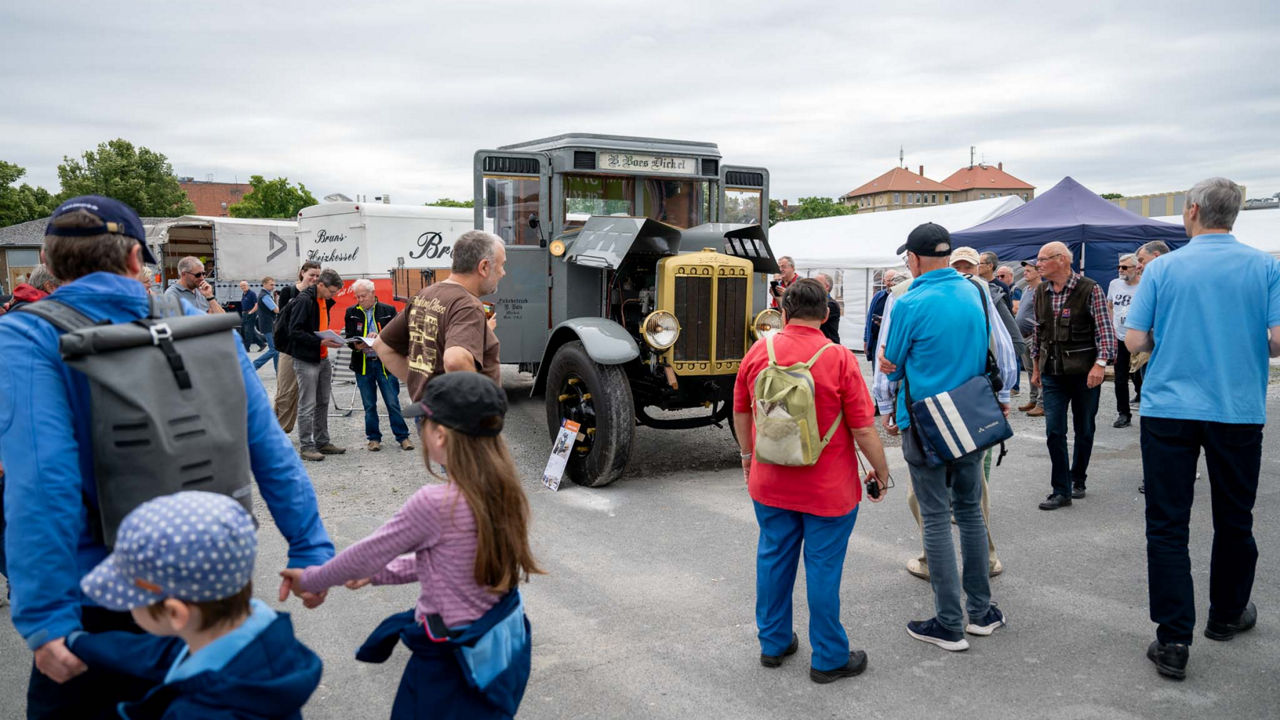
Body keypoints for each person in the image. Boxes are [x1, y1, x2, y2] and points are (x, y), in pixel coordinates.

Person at [0, 195, 334, 719]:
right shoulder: (197, 324)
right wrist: (309, 546)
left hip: (102, 599)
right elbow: (267, 445)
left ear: (47, 259)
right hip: (212, 582)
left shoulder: (27, 334)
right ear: (137, 260)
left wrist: (47, 618)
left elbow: (42, 481)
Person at [280, 371, 543, 718]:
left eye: (422, 423)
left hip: (450, 663)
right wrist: (378, 575)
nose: (420, 430)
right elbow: (448, 564)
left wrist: (312, 579)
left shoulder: (436, 503)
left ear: (441, 435)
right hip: (496, 652)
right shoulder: (502, 492)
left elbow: (367, 554)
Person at [1125, 178, 1278, 681]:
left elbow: (1134, 340)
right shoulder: (1265, 266)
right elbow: (1278, 340)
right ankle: (1226, 614)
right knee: (1235, 517)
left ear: (1191, 210)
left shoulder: (1161, 268)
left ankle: (1173, 640)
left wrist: (1169, 338)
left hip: (1170, 407)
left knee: (1167, 523)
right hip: (1236, 408)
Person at [732, 278, 891, 683]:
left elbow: (742, 411)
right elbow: (863, 428)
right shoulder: (838, 357)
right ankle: (829, 657)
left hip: (770, 479)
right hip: (828, 486)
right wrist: (882, 471)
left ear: (784, 312)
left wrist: (748, 458)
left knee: (773, 558)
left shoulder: (759, 350)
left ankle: (773, 642)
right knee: (823, 568)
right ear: (825, 314)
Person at [66, 492, 322, 719]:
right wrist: (77, 642)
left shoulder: (196, 711)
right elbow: (156, 653)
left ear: (175, 613)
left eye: (131, 596)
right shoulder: (258, 641)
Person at [882, 223, 1011, 652]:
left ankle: (949, 622)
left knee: (936, 517)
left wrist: (889, 365)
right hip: (970, 415)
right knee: (970, 512)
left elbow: (892, 363)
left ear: (915, 259)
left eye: (907, 258)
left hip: (925, 421)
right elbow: (996, 349)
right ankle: (981, 612)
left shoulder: (909, 301)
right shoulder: (975, 291)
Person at [1030, 241, 1115, 510]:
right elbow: (1038, 332)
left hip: (1083, 373)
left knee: (1084, 428)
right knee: (1054, 431)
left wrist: (1100, 365)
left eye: (1043, 259)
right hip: (1052, 372)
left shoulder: (1090, 289)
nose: (1038, 264)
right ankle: (1061, 490)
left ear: (1062, 260)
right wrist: (1036, 367)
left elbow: (1105, 331)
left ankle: (1078, 478)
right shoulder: (1041, 291)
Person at [375, 230, 505, 402]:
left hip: (427, 410)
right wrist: (480, 407)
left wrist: (423, 387)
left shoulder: (424, 295)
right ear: (484, 267)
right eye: (501, 265)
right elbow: (455, 360)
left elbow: (382, 346)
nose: (503, 273)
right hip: (457, 416)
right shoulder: (468, 306)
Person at [284, 267, 347, 461]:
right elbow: (294, 331)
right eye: (331, 291)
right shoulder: (304, 300)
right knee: (307, 404)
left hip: (322, 357)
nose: (333, 295)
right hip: (306, 358)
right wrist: (320, 342)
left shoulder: (322, 300)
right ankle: (306, 446)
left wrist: (325, 342)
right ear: (321, 285)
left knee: (323, 401)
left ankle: (322, 441)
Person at [345, 279, 413, 452]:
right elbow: (349, 337)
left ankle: (403, 437)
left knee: (392, 402)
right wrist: (356, 345)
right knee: (369, 405)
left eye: (363, 296)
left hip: (385, 364)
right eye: (357, 297)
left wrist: (380, 337)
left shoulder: (388, 310)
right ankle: (373, 438)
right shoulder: (351, 312)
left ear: (373, 294)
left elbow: (399, 335)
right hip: (363, 364)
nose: (360, 300)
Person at [275, 261, 322, 431]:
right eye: (311, 275)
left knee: (304, 394)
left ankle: (282, 430)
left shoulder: (317, 295)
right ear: (302, 273)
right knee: (285, 392)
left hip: (308, 348)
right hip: (289, 349)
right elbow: (283, 321)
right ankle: (279, 430)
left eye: (318, 276)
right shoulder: (289, 291)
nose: (314, 278)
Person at [1108, 253, 1142, 428]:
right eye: (1119, 267)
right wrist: (1112, 326)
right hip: (1120, 337)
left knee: (1140, 374)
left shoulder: (1145, 285)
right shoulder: (1114, 284)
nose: (1120, 270)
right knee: (1120, 377)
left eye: (1125, 267)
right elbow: (1110, 305)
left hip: (1140, 338)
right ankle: (1123, 413)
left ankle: (1143, 400)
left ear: (1137, 268)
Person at [1015, 260, 1044, 416]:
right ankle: (1033, 399)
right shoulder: (1026, 289)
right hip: (1024, 336)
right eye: (1024, 270)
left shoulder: (1041, 290)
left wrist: (1035, 327)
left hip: (1034, 336)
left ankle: (1042, 403)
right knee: (1030, 369)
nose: (1024, 273)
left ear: (1039, 272)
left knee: (1039, 370)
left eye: (1028, 271)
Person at [862, 269, 897, 363]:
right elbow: (869, 318)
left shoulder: (900, 297)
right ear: (884, 281)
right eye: (888, 280)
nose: (891, 283)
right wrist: (866, 339)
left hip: (891, 340)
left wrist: (885, 322)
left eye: (893, 280)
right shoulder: (878, 296)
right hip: (876, 339)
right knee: (876, 366)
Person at [253, 276, 280, 373]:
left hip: (268, 324)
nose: (273, 287)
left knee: (276, 349)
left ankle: (278, 371)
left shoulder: (265, 295)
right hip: (268, 325)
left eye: (274, 284)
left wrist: (275, 299)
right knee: (274, 350)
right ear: (264, 284)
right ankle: (254, 365)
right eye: (271, 285)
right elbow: (276, 310)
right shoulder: (265, 296)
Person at [815, 272, 841, 344]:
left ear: (826, 287)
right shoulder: (816, 302)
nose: (813, 286)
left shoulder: (832, 305)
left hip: (829, 344)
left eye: (817, 283)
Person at [238, 280, 264, 352]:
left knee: (247, 331)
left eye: (244, 285)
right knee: (249, 331)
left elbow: (256, 305)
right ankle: (262, 344)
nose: (243, 287)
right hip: (245, 314)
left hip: (250, 313)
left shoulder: (252, 293)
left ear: (248, 286)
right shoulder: (244, 294)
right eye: (241, 286)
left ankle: (246, 348)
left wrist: (251, 312)